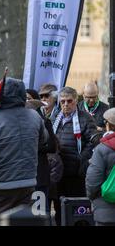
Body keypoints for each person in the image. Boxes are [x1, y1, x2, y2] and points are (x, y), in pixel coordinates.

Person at [0, 77, 47, 226]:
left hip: (0, 185)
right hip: (28, 182)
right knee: (21, 223)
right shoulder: (35, 116)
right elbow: (43, 141)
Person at [51, 86, 96, 225]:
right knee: (59, 207)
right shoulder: (54, 117)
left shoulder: (85, 118)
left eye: (69, 101)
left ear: (76, 101)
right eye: (62, 101)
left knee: (77, 210)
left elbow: (93, 141)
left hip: (76, 173)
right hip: (59, 172)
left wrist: (81, 160)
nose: (65, 104)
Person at [86, 108, 115, 226]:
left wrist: (92, 198)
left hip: (106, 213)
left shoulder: (102, 149)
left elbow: (93, 182)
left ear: (108, 125)